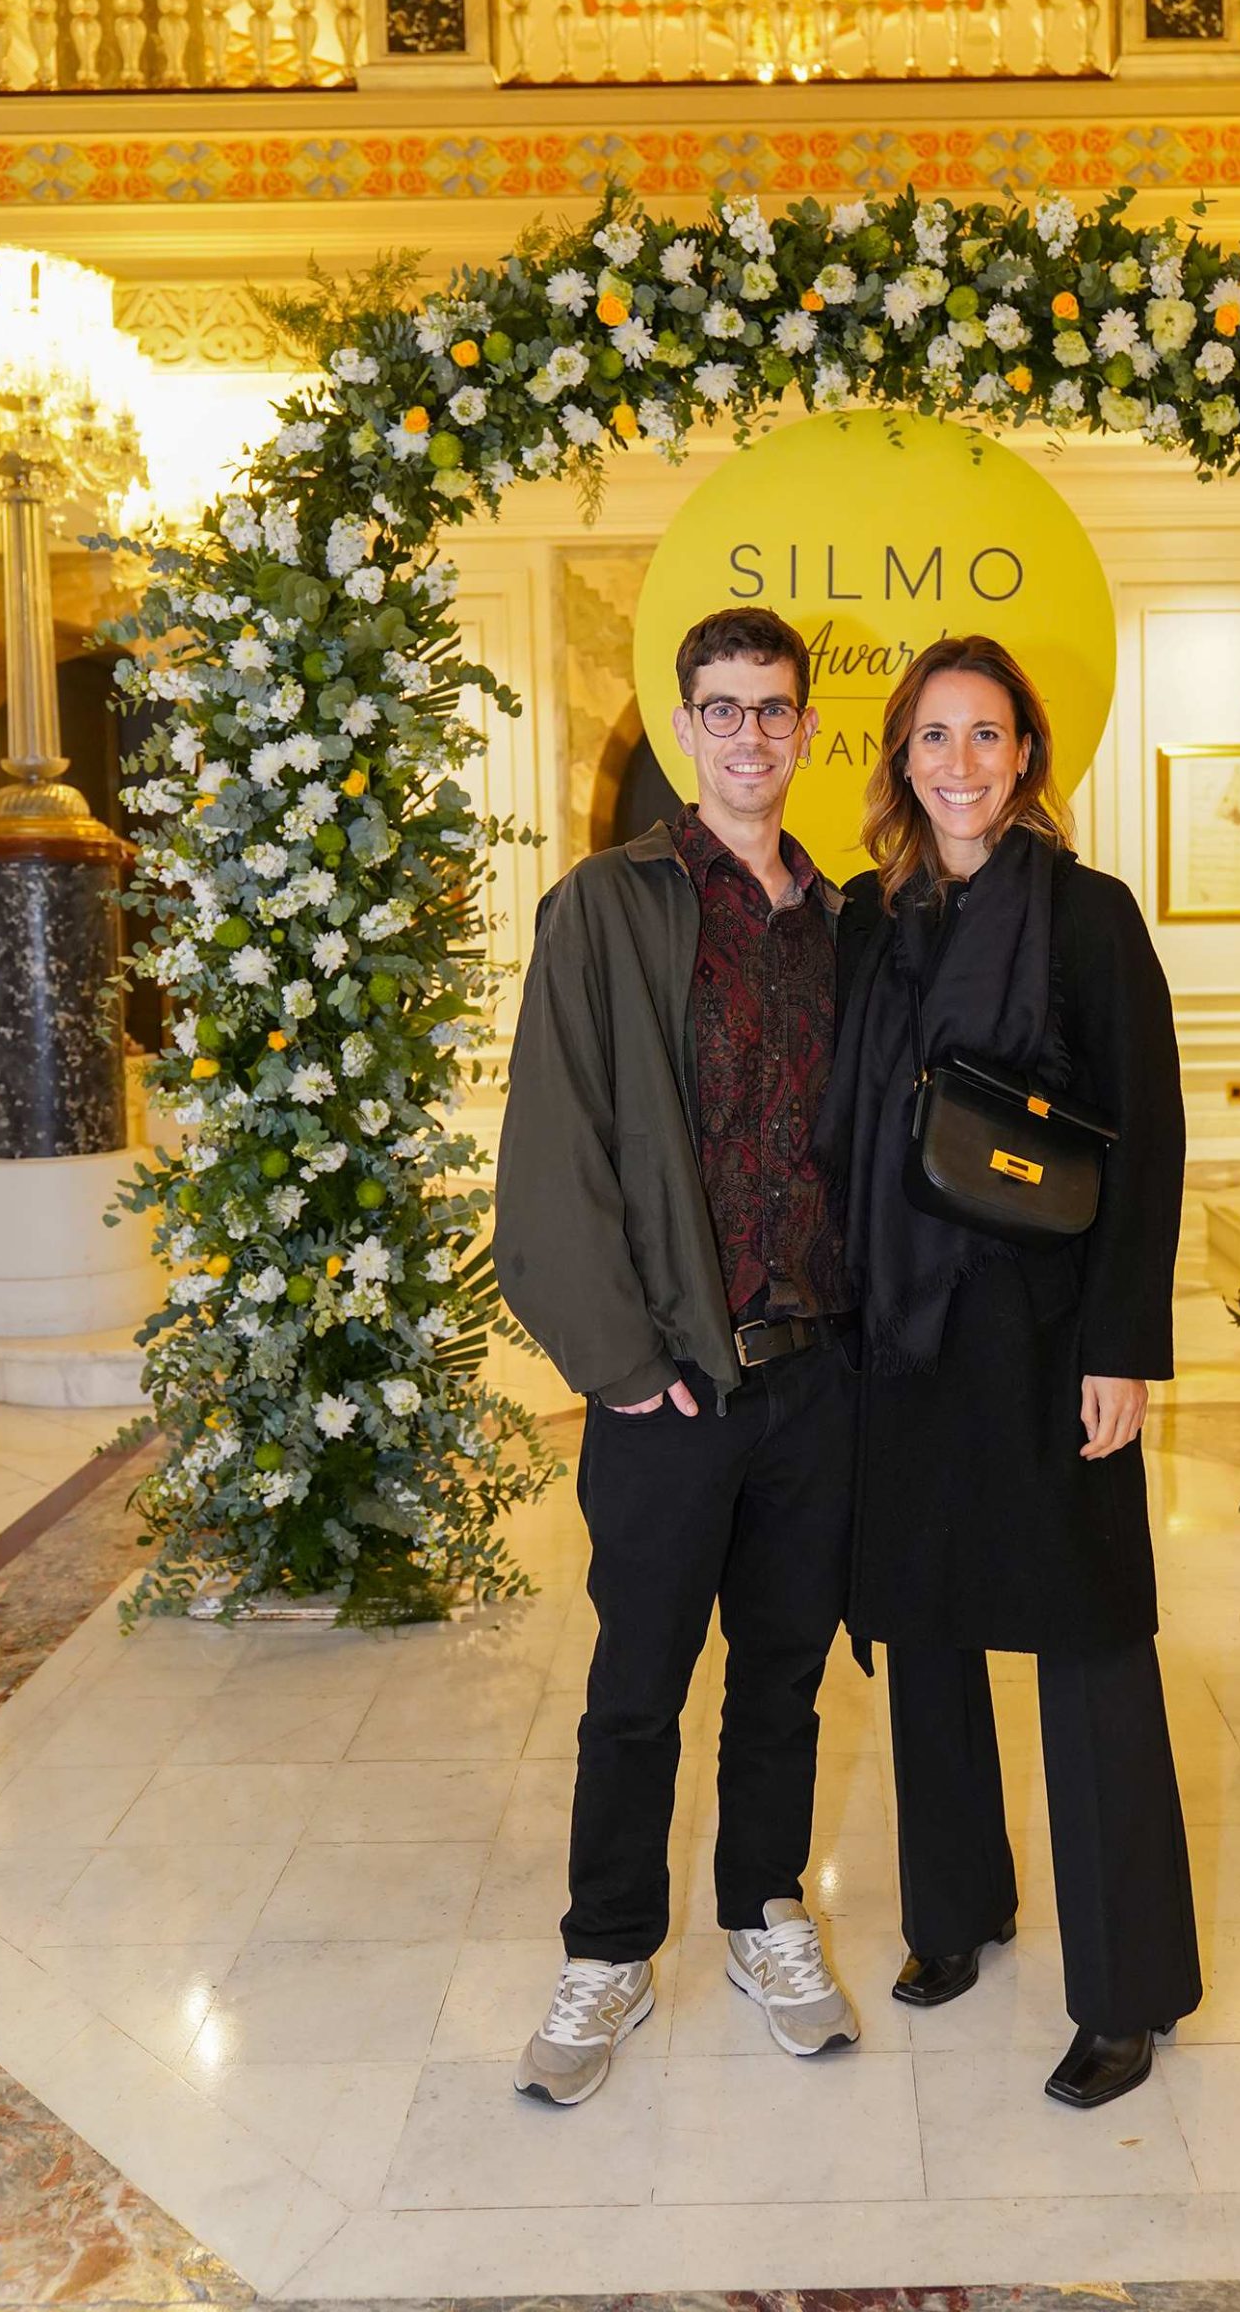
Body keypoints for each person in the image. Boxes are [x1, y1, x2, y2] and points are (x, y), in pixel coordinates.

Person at [818, 633, 1203, 2109]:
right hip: (905, 1335)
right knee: (926, 1621)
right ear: (902, 759)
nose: (960, 763)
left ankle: (1126, 1988)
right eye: (935, 736)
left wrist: (1122, 1350)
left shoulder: (1089, 917)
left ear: (1027, 754)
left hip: (1046, 1337)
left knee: (1090, 1641)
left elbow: (1146, 1142)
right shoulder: (872, 917)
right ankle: (954, 1909)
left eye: (987, 735)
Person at [494, 606, 860, 2107]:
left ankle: (766, 1911)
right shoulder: (608, 907)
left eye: (774, 709)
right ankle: (608, 1951)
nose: (750, 735)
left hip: (818, 1375)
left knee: (784, 1674)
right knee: (637, 1682)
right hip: (670, 1382)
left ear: (807, 730)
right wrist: (624, 1365)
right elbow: (553, 1150)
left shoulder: (845, 924)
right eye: (723, 709)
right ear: (685, 724)